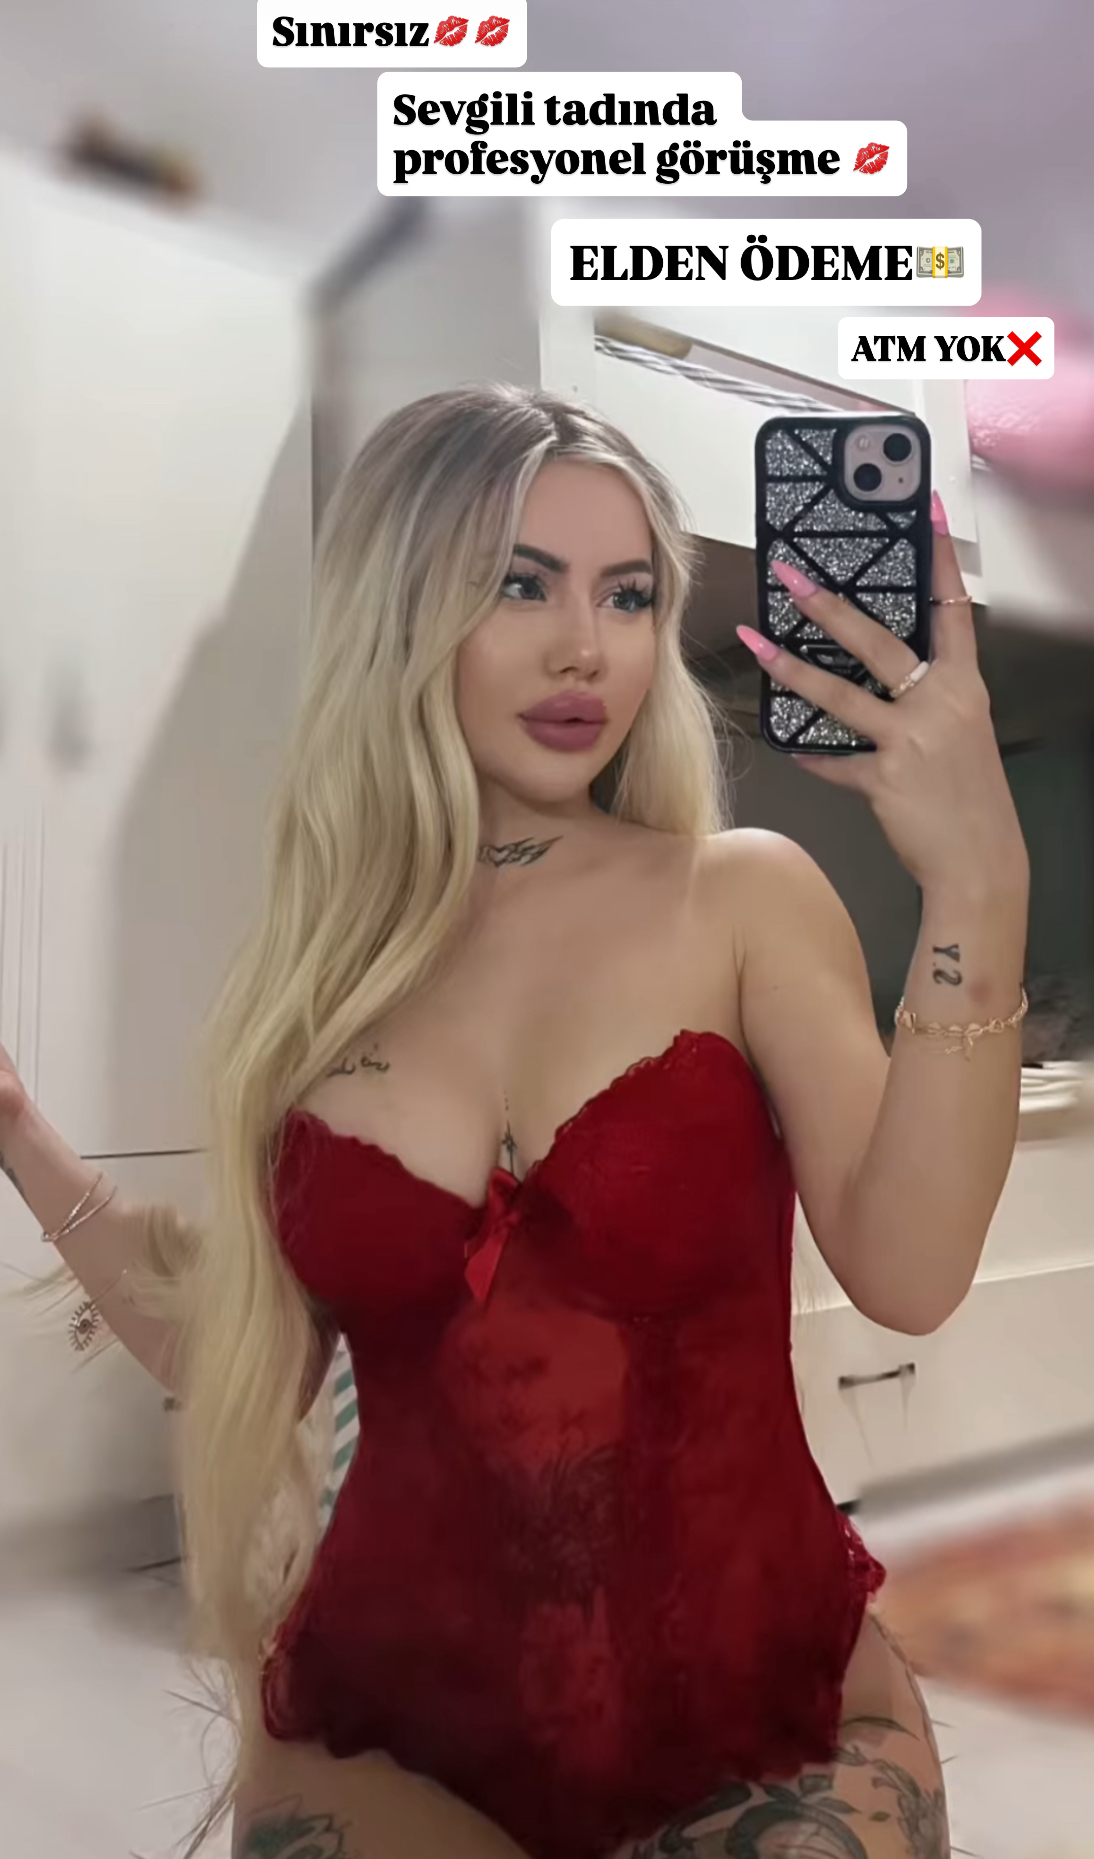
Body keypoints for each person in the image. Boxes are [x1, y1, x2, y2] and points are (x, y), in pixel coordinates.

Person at [0, 385, 1031, 1859]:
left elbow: (912, 1271)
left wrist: (978, 884)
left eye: (628, 595)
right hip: (389, 1724)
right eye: (518, 584)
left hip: (767, 1710)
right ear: (401, 610)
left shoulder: (739, 897)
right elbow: (248, 1358)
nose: (586, 649)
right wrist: (21, 1136)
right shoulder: (317, 986)